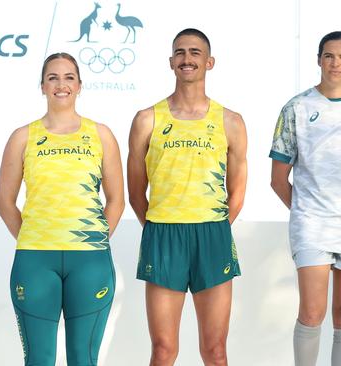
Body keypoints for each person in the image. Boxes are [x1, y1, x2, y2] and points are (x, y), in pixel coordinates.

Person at [127, 28, 247, 366]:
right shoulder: (147, 119)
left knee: (215, 351)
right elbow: (136, 191)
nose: (187, 58)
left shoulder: (231, 121)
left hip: (212, 234)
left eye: (195, 52)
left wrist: (215, 227)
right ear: (171, 62)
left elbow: (237, 191)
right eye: (180, 52)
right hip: (164, 233)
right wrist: (159, 224)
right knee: (163, 351)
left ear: (209, 62)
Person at [0, 52, 124, 366]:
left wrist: (93, 241)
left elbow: (117, 201)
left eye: (69, 77)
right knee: (39, 360)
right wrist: (34, 237)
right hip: (36, 259)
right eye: (52, 77)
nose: (61, 84)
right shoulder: (22, 137)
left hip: (90, 261)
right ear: (42, 86)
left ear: (80, 85)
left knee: (83, 359)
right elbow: (4, 202)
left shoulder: (101, 135)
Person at [270, 31, 341, 366]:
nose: (336, 63)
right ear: (319, 59)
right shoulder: (297, 108)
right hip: (312, 224)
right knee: (312, 311)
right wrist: (309, 210)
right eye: (329, 56)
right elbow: (278, 180)